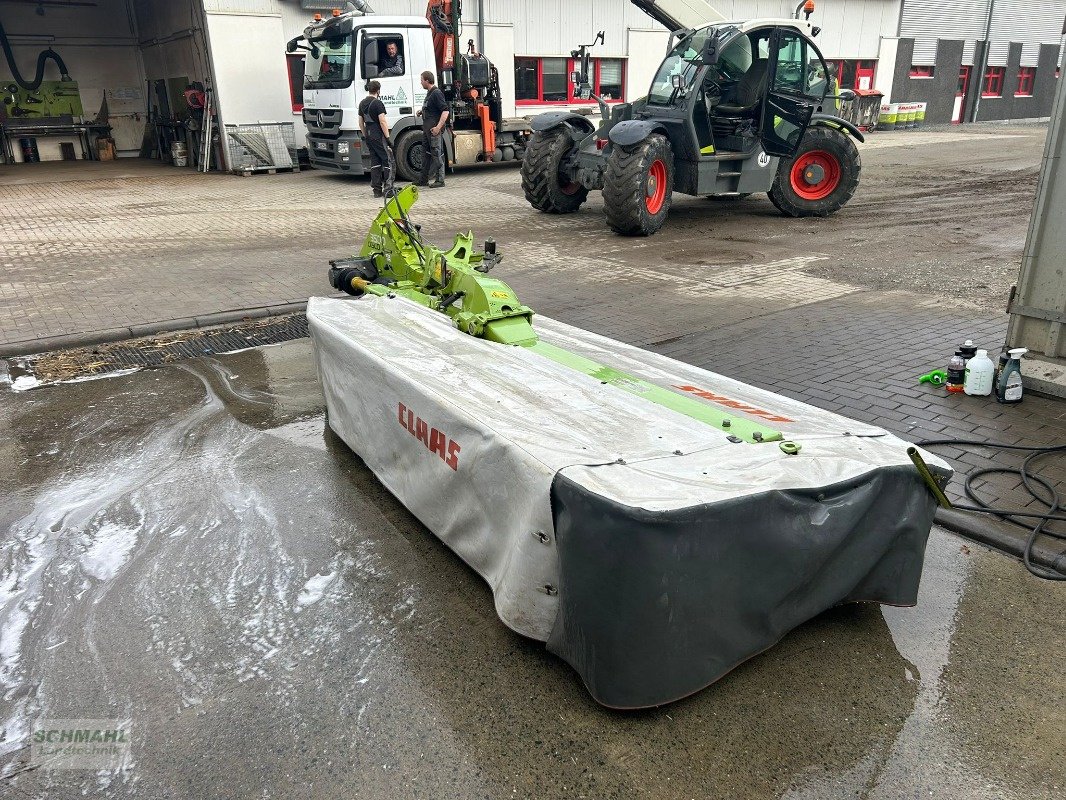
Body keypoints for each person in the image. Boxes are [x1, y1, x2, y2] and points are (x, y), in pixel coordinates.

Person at [358, 80, 394, 198]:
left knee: (375, 162)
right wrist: (388, 138)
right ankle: (388, 189)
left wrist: (365, 135)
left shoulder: (362, 103)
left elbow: (360, 122)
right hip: (378, 135)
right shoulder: (378, 103)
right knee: (387, 160)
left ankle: (376, 190)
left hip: (369, 135)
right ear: (378, 90)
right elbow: (382, 121)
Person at [416, 71, 449, 188]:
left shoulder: (436, 93)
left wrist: (438, 127)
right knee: (425, 154)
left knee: (436, 154)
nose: (420, 83)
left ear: (427, 81)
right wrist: (422, 112)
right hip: (426, 130)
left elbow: (445, 111)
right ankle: (423, 180)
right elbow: (432, 109)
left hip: (433, 131)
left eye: (421, 80)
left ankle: (440, 180)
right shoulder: (429, 93)